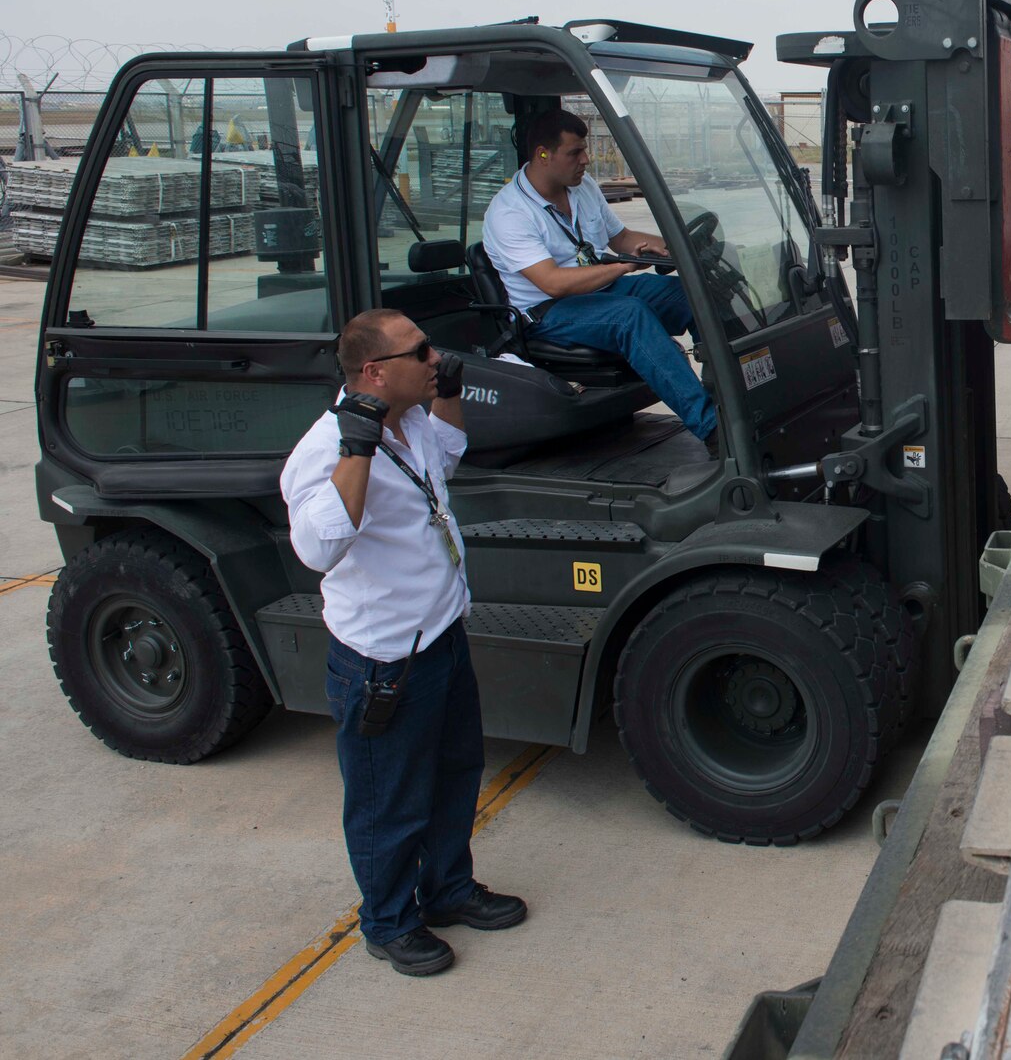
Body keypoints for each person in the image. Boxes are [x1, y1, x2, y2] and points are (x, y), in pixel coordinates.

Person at [280, 309, 526, 977]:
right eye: (420, 352)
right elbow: (319, 547)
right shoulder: (327, 447)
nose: (433, 354)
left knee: (453, 774)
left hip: (440, 635)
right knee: (388, 800)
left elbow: (446, 457)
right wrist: (356, 450)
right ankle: (388, 920)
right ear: (373, 371)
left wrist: (445, 393)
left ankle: (446, 887)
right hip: (383, 660)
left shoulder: (411, 421)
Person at [480, 108, 718, 453]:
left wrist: (671, 246)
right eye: (575, 152)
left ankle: (733, 399)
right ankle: (712, 429)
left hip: (602, 289)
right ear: (542, 155)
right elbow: (554, 283)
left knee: (693, 295)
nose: (586, 160)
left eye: (585, 149)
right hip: (550, 312)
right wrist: (622, 267)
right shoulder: (509, 213)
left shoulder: (582, 187)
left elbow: (619, 237)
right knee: (629, 315)